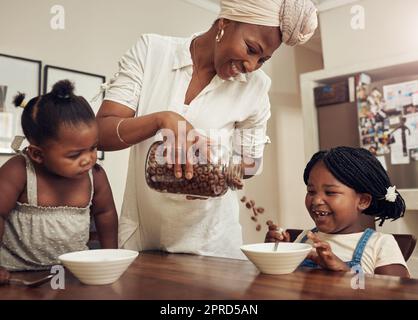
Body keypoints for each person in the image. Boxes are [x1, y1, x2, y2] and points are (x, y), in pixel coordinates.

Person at [96, 0, 318, 259]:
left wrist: (215, 170)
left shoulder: (255, 87)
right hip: (143, 241)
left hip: (213, 248)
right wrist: (163, 119)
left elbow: (251, 164)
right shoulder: (152, 52)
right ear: (224, 23)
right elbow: (100, 133)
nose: (251, 65)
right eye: (250, 49)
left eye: (262, 59)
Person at [0, 80, 118, 284]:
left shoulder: (95, 176)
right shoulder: (19, 171)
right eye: (74, 155)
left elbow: (105, 214)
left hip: (72, 274)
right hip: (16, 275)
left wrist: (111, 260)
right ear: (37, 154)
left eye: (93, 148)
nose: (88, 158)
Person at [265, 146, 410, 277]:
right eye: (311, 191)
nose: (316, 200)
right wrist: (278, 252)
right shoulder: (304, 238)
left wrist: (345, 271)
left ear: (363, 201)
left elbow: (399, 294)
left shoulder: (380, 245)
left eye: (330, 192)